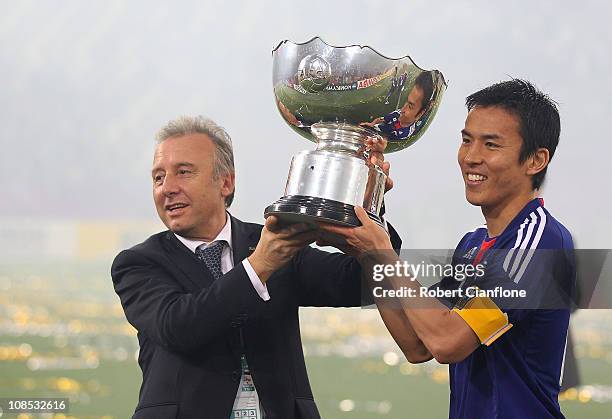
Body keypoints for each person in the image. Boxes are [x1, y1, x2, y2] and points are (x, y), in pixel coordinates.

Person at [111, 116, 399, 419]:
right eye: (158, 178)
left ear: (226, 182)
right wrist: (259, 266)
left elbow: (362, 284)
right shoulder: (138, 263)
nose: (167, 188)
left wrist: (369, 203)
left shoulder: (272, 241)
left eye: (183, 172)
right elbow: (179, 326)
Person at [321, 79, 575, 418]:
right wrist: (370, 231)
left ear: (535, 160)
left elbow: (447, 342)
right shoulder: (473, 245)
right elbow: (416, 342)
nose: (471, 158)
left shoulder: (539, 244)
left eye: (491, 145)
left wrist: (382, 251)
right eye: (466, 140)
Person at [362, 71, 434, 142]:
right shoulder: (397, 113)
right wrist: (372, 124)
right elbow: (381, 119)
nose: (402, 110)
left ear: (420, 114)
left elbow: (386, 141)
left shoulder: (406, 133)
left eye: (410, 106)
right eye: (407, 101)